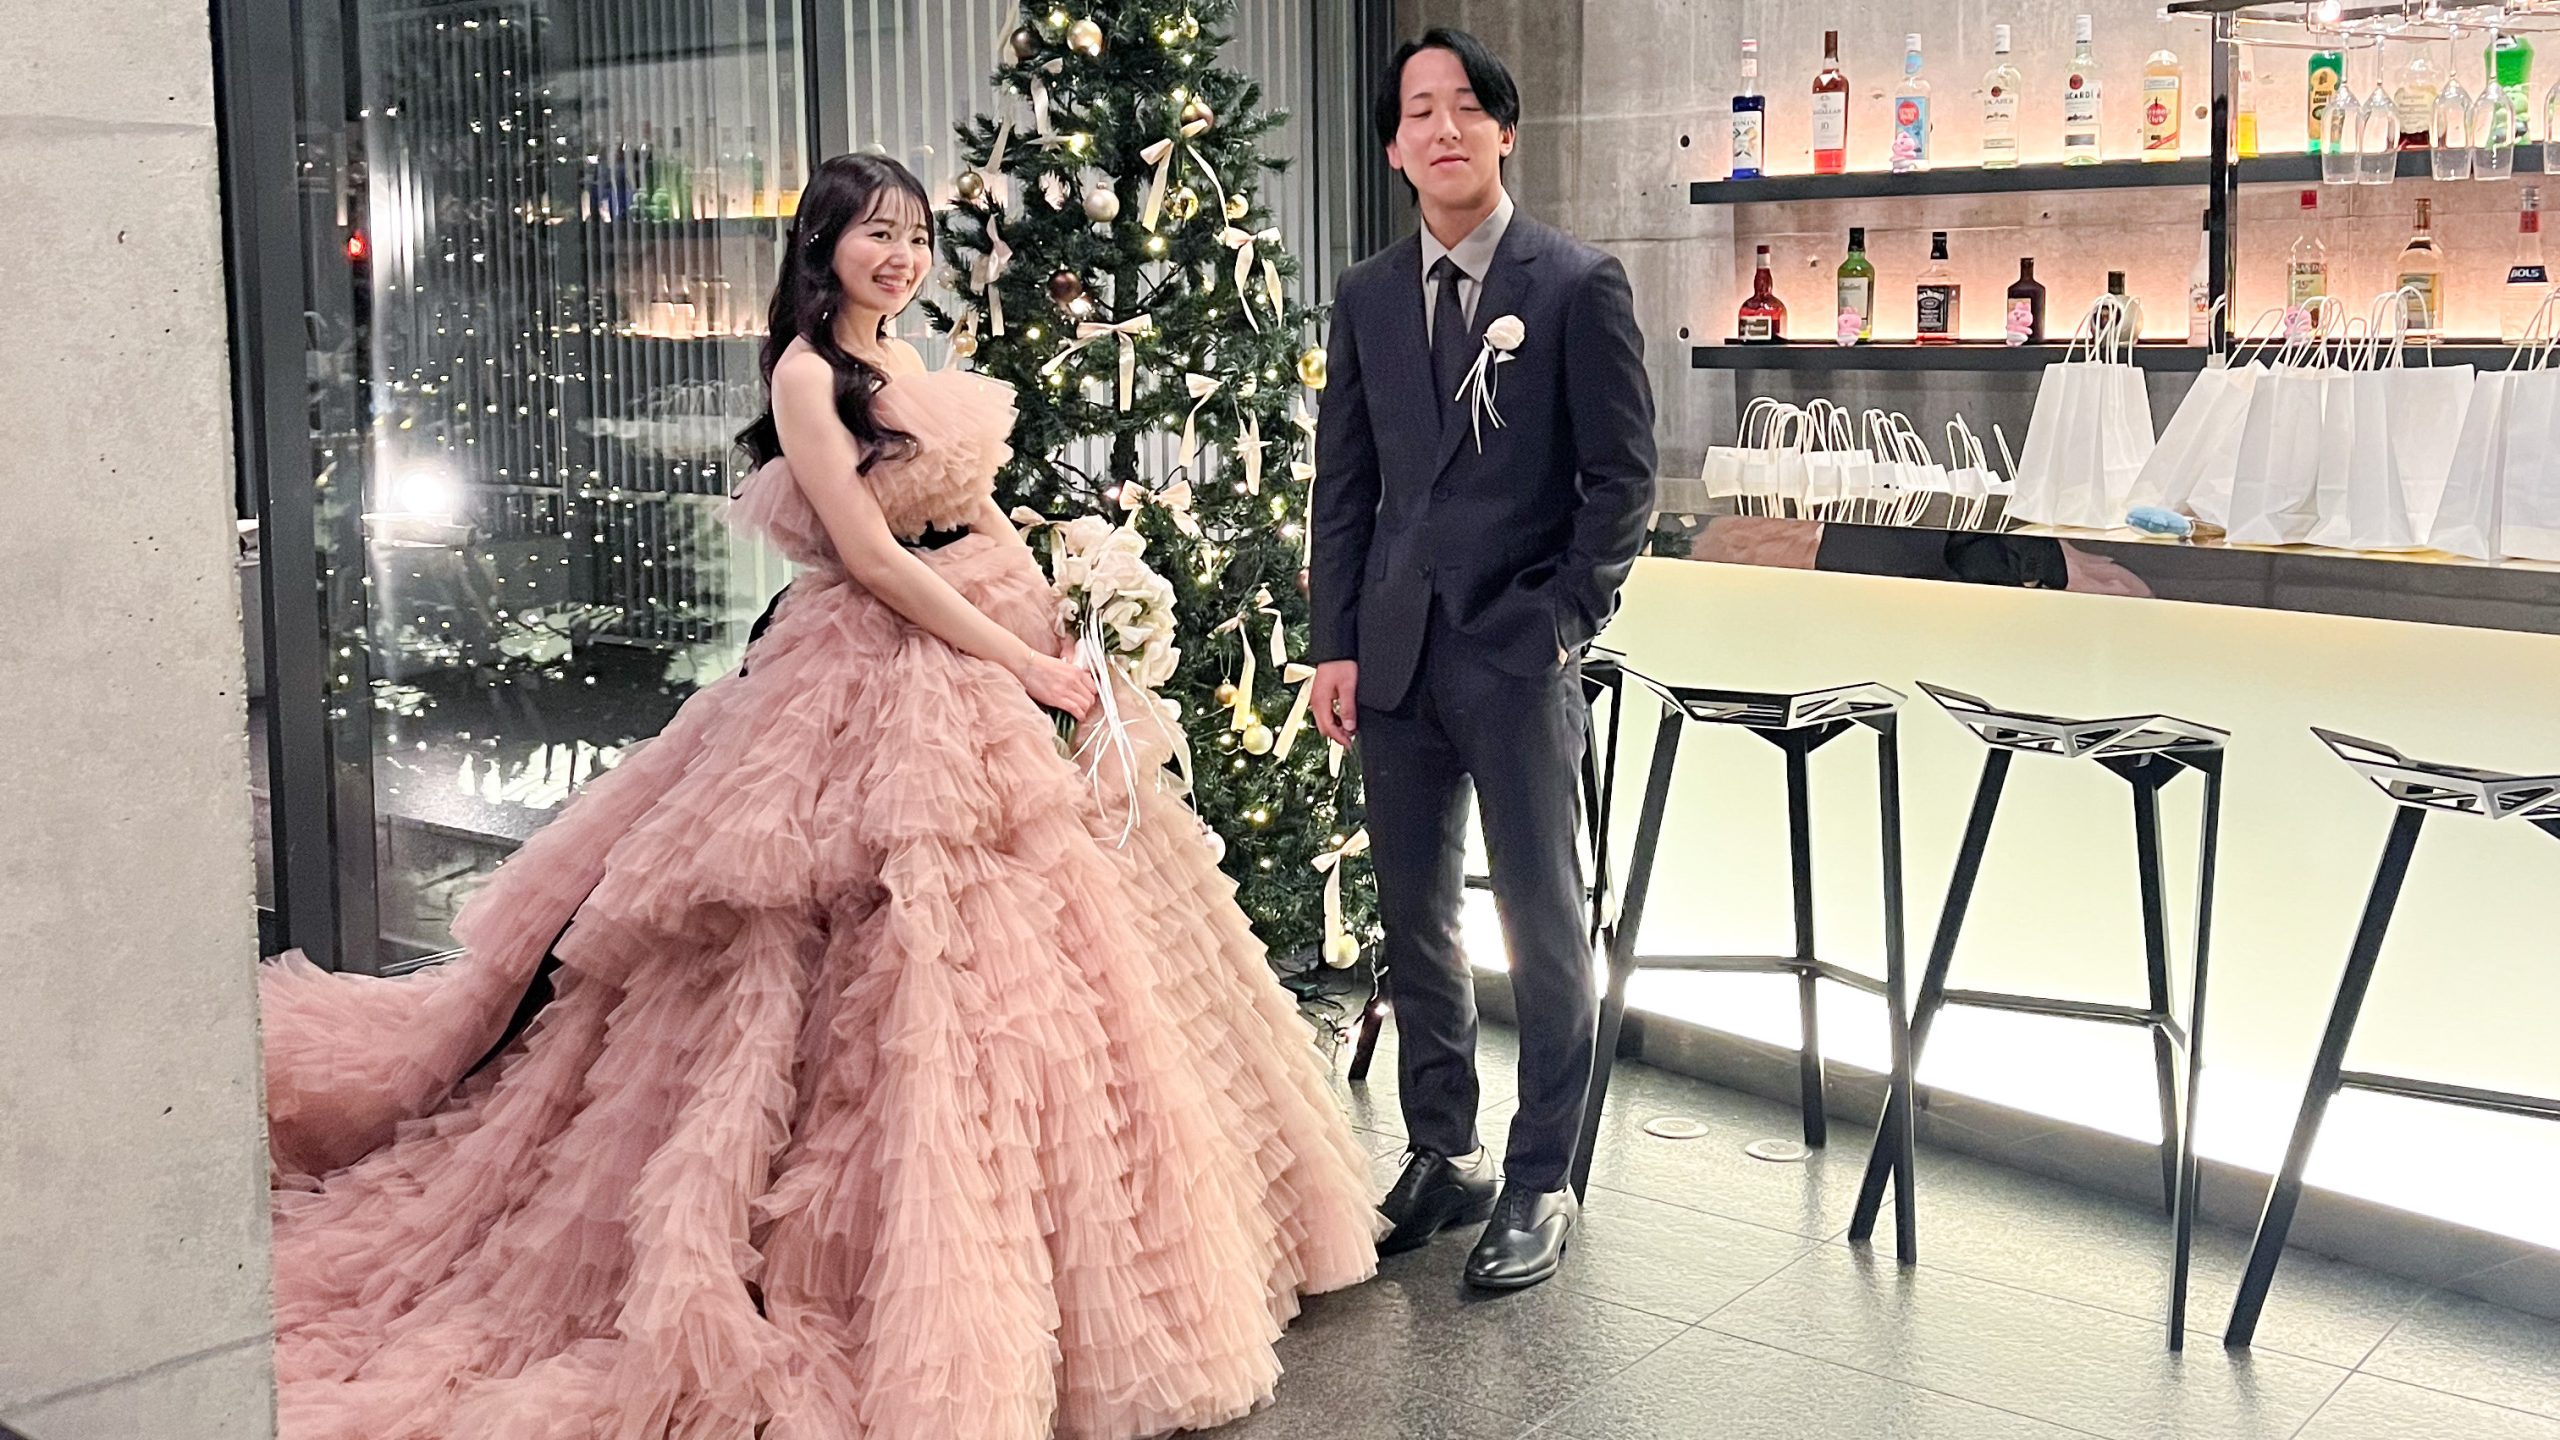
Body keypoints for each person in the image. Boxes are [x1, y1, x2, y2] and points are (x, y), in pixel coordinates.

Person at [256, 152, 1380, 1440]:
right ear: (824, 246)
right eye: (873, 235)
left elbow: (974, 513)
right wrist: (1016, 661)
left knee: (1058, 948)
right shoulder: (806, 373)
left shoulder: (906, 355)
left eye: (914, 236)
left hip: (989, 635)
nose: (899, 257)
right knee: (853, 947)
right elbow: (870, 558)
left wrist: (1061, 608)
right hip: (872, 664)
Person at [1309, 30, 1657, 1291]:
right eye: (1419, 111)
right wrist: (1334, 644)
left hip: (1516, 656)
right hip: (1395, 656)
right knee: (1417, 920)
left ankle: (1539, 1176)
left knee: (1541, 922)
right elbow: (1345, 485)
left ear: (1505, 130)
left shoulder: (1575, 284)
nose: (1442, 128)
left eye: (1466, 107)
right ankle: (1444, 1152)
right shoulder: (1365, 294)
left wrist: (1561, 620)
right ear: (1394, 148)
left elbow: (1621, 484)